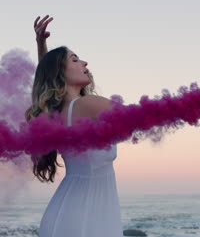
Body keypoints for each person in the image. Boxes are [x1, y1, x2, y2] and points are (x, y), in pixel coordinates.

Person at [25, 15, 123, 237]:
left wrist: (42, 46)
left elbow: (48, 76)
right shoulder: (89, 104)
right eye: (76, 59)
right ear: (61, 72)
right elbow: (143, 116)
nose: (85, 63)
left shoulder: (56, 113)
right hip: (88, 220)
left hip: (70, 214)